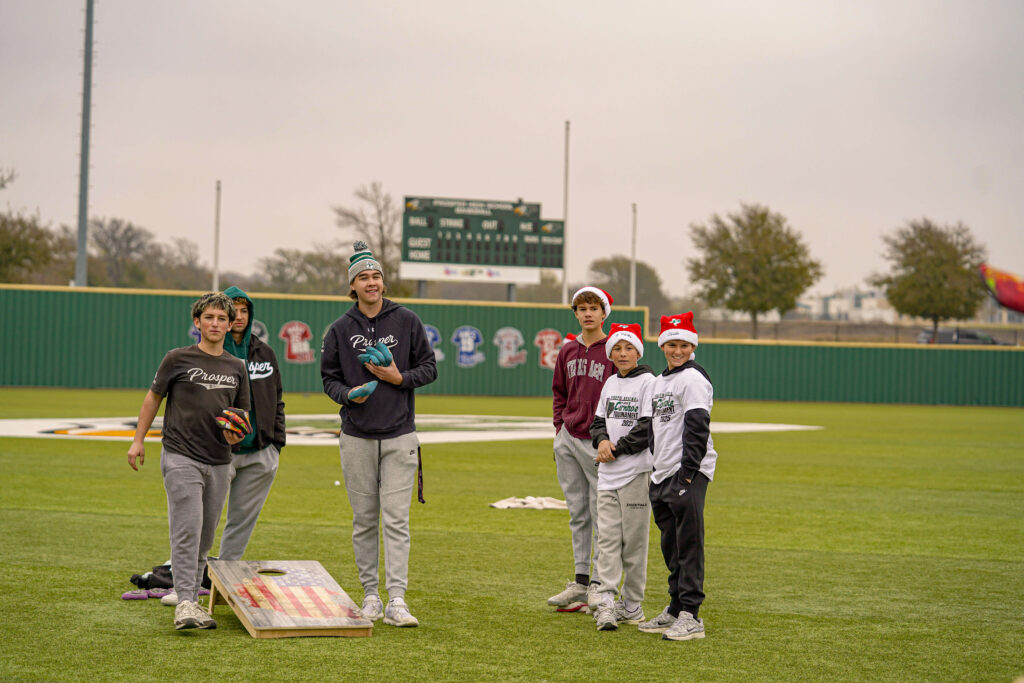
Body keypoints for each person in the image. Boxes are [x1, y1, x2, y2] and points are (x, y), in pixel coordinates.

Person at [320, 241, 437, 628]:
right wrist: (347, 395)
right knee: (365, 519)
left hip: (400, 434)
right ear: (352, 286)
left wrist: (399, 378)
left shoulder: (407, 321)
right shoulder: (339, 329)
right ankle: (370, 595)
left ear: (383, 283)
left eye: (376, 276)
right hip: (356, 434)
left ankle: (397, 600)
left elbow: (429, 368)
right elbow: (329, 378)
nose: (371, 283)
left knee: (397, 520)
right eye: (363, 278)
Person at [127, 292, 250, 631]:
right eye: (208, 317)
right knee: (188, 530)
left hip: (220, 462)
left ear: (229, 325)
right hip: (181, 456)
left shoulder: (236, 367)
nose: (215, 323)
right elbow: (153, 398)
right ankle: (184, 603)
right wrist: (138, 440)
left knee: (205, 538)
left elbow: (241, 418)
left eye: (222, 319)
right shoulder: (177, 359)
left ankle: (191, 600)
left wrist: (235, 435)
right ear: (197, 322)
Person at [638, 313, 719, 642]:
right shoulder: (659, 382)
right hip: (663, 473)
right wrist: (658, 467)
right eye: (671, 344)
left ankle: (691, 616)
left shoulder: (693, 379)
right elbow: (656, 429)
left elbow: (698, 427)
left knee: (688, 544)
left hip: (687, 473)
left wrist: (688, 474)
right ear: (662, 346)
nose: (677, 350)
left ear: (693, 346)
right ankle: (674, 607)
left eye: (684, 344)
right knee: (670, 545)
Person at [547, 286, 616, 612]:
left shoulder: (613, 349)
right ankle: (580, 580)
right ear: (575, 313)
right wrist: (559, 426)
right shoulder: (568, 350)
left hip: (599, 444)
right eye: (581, 308)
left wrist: (609, 438)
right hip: (569, 439)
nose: (587, 313)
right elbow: (559, 391)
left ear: (604, 313)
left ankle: (601, 586)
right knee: (577, 512)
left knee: (602, 514)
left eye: (593, 308)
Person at [587, 323, 656, 630]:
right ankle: (605, 602)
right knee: (608, 540)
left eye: (629, 348)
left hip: (636, 474)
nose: (623, 353)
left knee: (635, 543)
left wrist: (616, 449)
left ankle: (632, 605)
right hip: (608, 476)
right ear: (610, 353)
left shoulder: (649, 382)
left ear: (638, 351)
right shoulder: (610, 382)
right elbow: (598, 420)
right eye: (617, 348)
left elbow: (648, 426)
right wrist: (601, 442)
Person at [218, 286, 286, 559]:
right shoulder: (210, 352)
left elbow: (277, 398)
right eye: (233, 310)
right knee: (199, 519)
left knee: (241, 521)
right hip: (218, 453)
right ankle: (188, 577)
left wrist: (276, 443)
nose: (239, 316)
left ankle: (223, 578)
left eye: (244, 310)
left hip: (259, 451)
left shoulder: (264, 353)